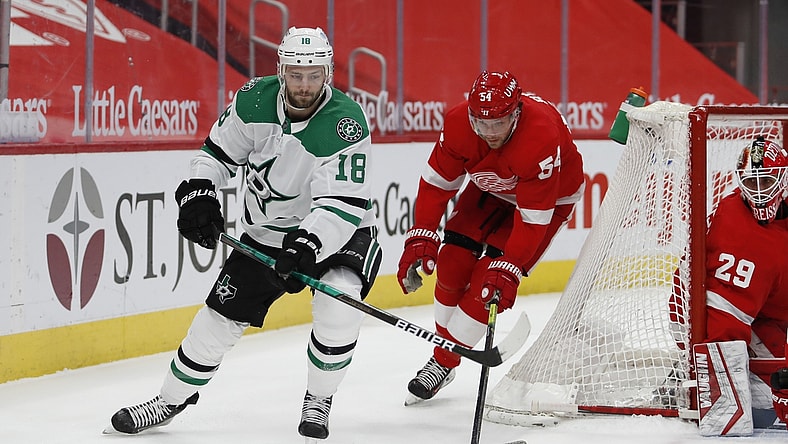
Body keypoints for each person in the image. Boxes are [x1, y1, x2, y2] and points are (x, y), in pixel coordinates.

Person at [107, 27, 382, 441]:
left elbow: (339, 205)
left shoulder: (345, 123)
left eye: (313, 74)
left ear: (327, 73)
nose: (304, 85)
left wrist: (308, 244)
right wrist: (199, 193)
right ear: (280, 70)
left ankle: (319, 398)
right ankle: (169, 400)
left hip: (337, 232)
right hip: (267, 233)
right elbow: (216, 154)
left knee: (338, 307)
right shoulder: (253, 99)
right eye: (295, 74)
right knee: (214, 323)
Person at [396, 70, 585, 404]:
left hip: (547, 203)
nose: (489, 133)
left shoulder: (539, 135)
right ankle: (446, 354)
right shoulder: (458, 123)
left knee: (489, 280)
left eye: (498, 124)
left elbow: (531, 219)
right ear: (470, 114)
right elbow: (437, 184)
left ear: (517, 113)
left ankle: (442, 361)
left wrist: (509, 266)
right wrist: (420, 234)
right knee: (452, 261)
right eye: (481, 124)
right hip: (492, 186)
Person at [668, 137, 788, 426]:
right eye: (752, 182)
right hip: (701, 320)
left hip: (761, 314)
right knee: (767, 408)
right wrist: (721, 396)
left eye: (767, 181)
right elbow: (724, 321)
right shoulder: (743, 236)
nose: (759, 193)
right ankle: (689, 380)